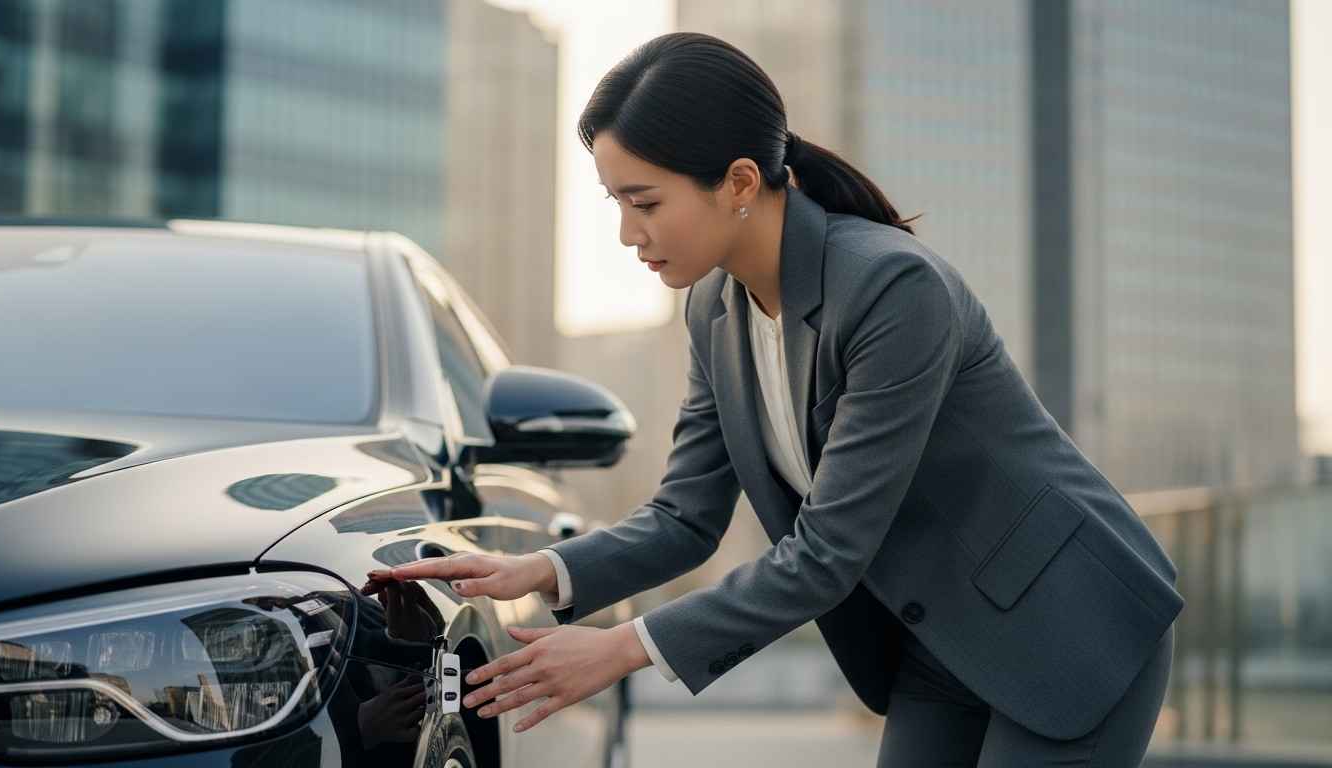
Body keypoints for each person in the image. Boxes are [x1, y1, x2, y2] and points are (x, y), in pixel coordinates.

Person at [374, 32, 1181, 767]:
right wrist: (539, 569)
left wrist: (624, 648)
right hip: (941, 644)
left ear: (738, 183)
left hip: (1069, 622)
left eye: (645, 202)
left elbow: (829, 550)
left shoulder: (895, 290)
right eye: (615, 202)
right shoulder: (712, 313)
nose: (627, 233)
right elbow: (685, 518)